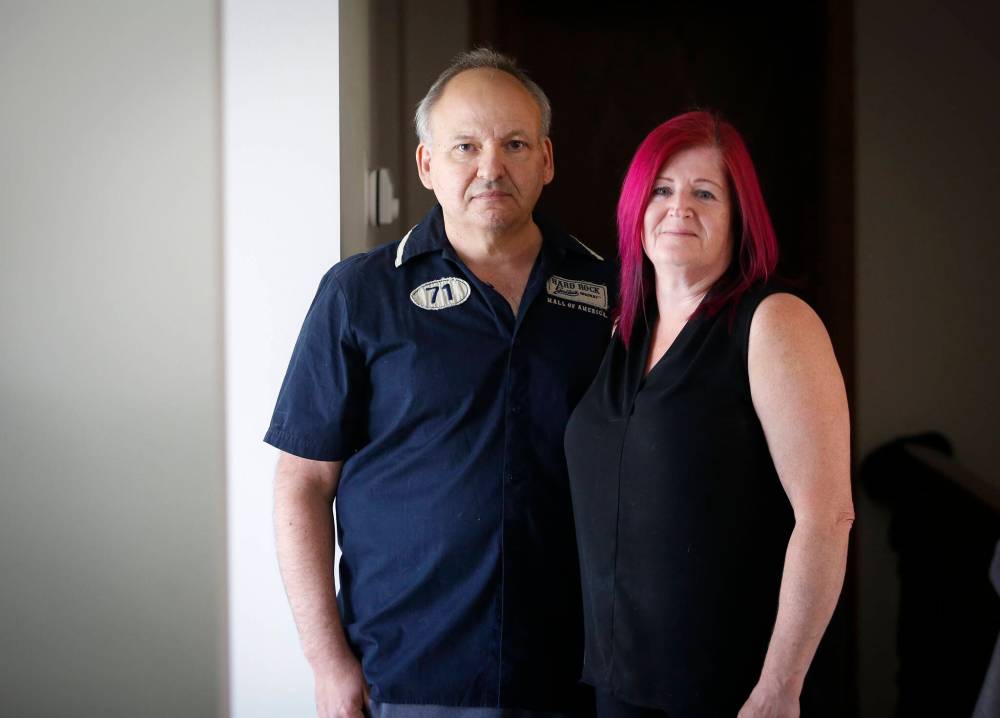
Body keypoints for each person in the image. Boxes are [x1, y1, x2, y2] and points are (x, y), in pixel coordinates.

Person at [266, 48, 613, 718]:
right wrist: (327, 661)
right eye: (464, 146)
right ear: (427, 164)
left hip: (575, 674)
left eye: (514, 144)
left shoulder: (611, 292)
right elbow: (301, 484)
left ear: (546, 160)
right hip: (405, 677)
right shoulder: (359, 294)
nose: (492, 167)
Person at [564, 111, 854, 718]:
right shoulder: (621, 328)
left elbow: (826, 517)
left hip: (734, 692)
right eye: (662, 190)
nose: (679, 208)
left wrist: (779, 688)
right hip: (615, 684)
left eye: (704, 193)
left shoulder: (774, 324)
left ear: (739, 218)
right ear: (636, 208)